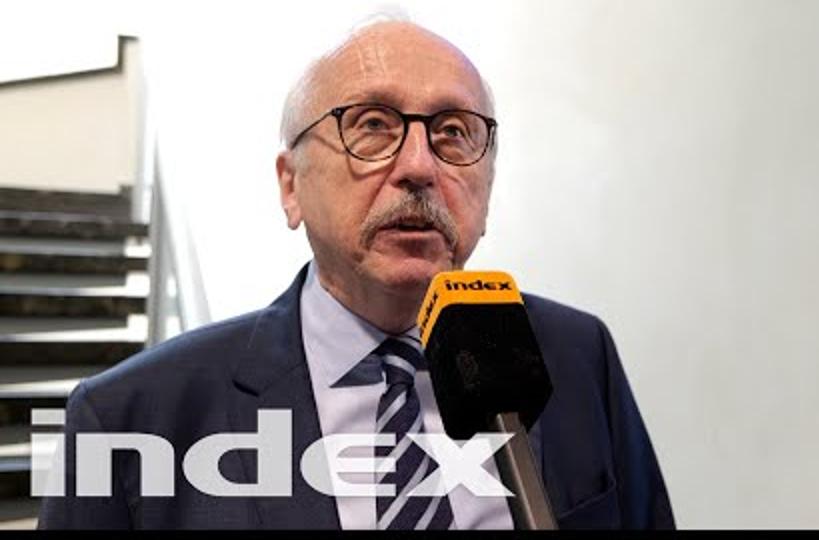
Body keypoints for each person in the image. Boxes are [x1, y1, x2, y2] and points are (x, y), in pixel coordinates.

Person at [38, 19, 674, 530]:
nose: (419, 166)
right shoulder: (130, 417)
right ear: (291, 186)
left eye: (454, 133)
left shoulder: (576, 352)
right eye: (372, 127)